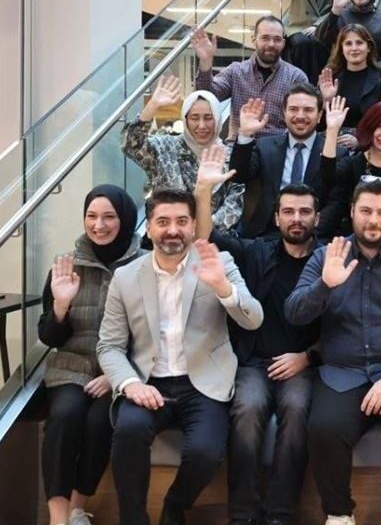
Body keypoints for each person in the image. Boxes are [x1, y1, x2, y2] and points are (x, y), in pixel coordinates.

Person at [98, 190, 263, 525]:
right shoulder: (126, 276)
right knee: (128, 434)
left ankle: (175, 504)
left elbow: (254, 319)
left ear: (193, 226)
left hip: (203, 383)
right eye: (163, 222)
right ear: (148, 228)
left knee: (206, 452)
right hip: (148, 382)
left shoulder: (219, 263)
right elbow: (109, 346)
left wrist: (223, 288)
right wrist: (129, 384)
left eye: (181, 221)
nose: (172, 230)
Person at [285, 180, 381, 525]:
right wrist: (325, 285)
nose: (373, 220)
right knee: (324, 428)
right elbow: (294, 313)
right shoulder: (327, 256)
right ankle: (339, 514)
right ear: (352, 212)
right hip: (343, 371)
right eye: (366, 211)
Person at [192, 151, 321, 525]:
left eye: (305, 212)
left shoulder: (329, 259)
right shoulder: (256, 251)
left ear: (317, 218)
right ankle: (243, 515)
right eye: (289, 211)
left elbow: (344, 325)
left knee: (297, 412)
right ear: (277, 217)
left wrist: (307, 357)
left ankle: (280, 513)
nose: (296, 218)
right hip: (253, 363)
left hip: (303, 364)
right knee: (247, 411)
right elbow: (206, 238)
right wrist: (203, 191)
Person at [39, 186, 142, 525]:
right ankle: (57, 517)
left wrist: (116, 375)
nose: (99, 225)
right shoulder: (66, 265)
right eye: (92, 216)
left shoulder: (145, 264)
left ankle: (76, 508)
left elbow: (151, 336)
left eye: (109, 216)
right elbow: (49, 337)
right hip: (72, 366)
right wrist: (60, 305)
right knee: (65, 415)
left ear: (125, 219)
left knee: (100, 422)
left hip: (121, 371)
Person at [122, 75, 245, 232]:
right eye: (194, 118)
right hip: (166, 233)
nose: (202, 125)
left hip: (213, 237)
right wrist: (153, 106)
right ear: (185, 120)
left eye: (208, 118)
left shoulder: (229, 155)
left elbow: (234, 204)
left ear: (218, 119)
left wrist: (199, 230)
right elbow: (130, 145)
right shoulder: (165, 147)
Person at [228, 84, 348, 238]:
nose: (300, 116)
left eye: (308, 110)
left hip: (312, 236)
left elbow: (335, 203)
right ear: (284, 113)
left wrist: (309, 236)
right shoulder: (266, 146)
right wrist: (245, 134)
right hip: (266, 233)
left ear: (319, 116)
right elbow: (238, 176)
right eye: (293, 109)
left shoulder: (335, 153)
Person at [317, 98, 381, 244]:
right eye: (379, 126)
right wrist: (332, 131)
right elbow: (327, 176)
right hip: (353, 240)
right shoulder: (352, 164)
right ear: (369, 128)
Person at [192, 17, 309, 140]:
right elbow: (207, 97)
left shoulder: (296, 77)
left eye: (277, 39)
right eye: (265, 38)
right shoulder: (236, 71)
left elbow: (302, 119)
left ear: (283, 43)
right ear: (254, 40)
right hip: (238, 143)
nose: (271, 44)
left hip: (277, 146)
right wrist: (205, 61)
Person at [316, 23, 381, 127]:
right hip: (333, 134)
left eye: (359, 43)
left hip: (367, 135)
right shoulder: (330, 78)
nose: (354, 48)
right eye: (348, 44)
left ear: (369, 47)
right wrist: (326, 101)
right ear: (342, 49)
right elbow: (317, 124)